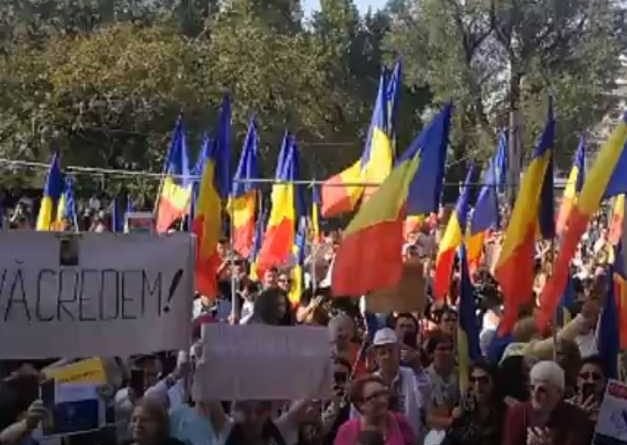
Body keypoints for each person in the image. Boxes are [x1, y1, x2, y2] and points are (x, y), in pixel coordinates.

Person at [502, 360, 594, 445]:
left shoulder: (577, 420)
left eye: (542, 390)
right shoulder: (517, 413)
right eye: (532, 388)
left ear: (559, 392)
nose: (535, 395)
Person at [363, 327, 428, 440]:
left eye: (391, 351)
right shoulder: (369, 383)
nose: (387, 357)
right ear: (376, 357)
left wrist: (418, 368)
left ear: (398, 352)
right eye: (382, 353)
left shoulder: (411, 374)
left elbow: (425, 398)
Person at [334, 375, 415, 445]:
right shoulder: (347, 431)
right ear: (360, 404)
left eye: (384, 393)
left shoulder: (400, 421)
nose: (383, 400)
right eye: (375, 396)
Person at [443, 361, 503, 445]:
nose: (477, 385)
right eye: (473, 380)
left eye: (484, 380)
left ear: (494, 382)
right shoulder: (465, 407)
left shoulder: (503, 410)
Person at [425, 334, 459, 431]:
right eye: (442, 349)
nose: (447, 352)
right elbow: (427, 418)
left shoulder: (460, 376)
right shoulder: (425, 378)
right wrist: (452, 422)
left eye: (450, 349)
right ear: (431, 354)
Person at [321, 358, 352, 445]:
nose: (338, 381)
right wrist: (334, 405)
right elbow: (320, 431)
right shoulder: (317, 402)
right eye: (335, 376)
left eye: (342, 377)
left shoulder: (354, 402)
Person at [567, 355, 607, 422]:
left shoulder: (612, 411)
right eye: (585, 376)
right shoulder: (565, 407)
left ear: (604, 382)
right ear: (577, 380)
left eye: (596, 377)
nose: (591, 381)